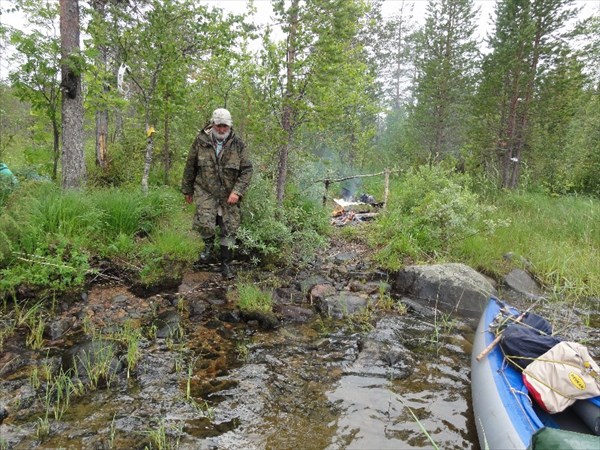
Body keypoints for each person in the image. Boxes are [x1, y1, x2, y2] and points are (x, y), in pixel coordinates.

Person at [181, 108, 253, 279]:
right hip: (205, 190)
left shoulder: (238, 145)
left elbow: (247, 170)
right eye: (219, 126)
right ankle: (207, 252)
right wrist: (187, 190)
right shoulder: (200, 141)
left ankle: (226, 264)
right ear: (213, 124)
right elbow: (190, 166)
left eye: (225, 126)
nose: (222, 130)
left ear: (230, 126)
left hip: (229, 193)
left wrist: (237, 191)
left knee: (228, 227)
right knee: (205, 222)